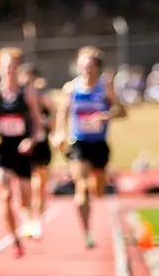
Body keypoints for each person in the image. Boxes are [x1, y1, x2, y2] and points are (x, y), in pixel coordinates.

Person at [51, 46, 125, 248]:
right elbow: (62, 111)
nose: (87, 69)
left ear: (97, 67)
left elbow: (122, 111)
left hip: (99, 145)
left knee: (98, 190)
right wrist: (59, 132)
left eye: (91, 65)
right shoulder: (72, 88)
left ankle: (92, 194)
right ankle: (86, 233)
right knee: (81, 188)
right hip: (79, 144)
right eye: (83, 65)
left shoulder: (105, 88)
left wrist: (106, 115)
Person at [0, 47, 45, 258]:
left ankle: (28, 219)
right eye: (5, 66)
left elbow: (37, 122)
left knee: (25, 195)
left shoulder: (28, 93)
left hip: (23, 148)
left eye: (13, 66)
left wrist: (32, 140)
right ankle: (14, 237)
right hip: (3, 149)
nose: (9, 70)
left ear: (18, 68)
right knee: (5, 194)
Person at [18, 63, 54, 240]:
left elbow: (53, 121)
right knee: (25, 186)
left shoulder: (43, 97)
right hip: (23, 144)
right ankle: (27, 220)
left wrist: (43, 122)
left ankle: (37, 220)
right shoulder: (19, 98)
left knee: (39, 186)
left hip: (41, 146)